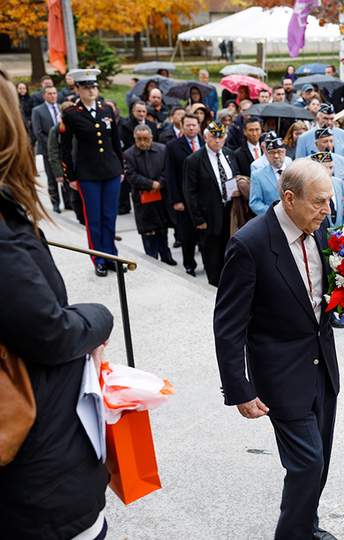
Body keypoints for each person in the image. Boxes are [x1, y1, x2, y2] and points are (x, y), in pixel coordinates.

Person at [0, 63, 115, 539]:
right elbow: (49, 331)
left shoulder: (105, 110)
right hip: (36, 473)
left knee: (107, 223)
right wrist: (98, 316)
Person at [213, 158, 340, 540]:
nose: (327, 210)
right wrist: (239, 388)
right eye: (319, 201)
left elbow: (320, 295)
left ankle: (308, 525)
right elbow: (228, 325)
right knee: (306, 465)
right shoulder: (250, 244)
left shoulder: (318, 227)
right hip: (281, 377)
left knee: (320, 463)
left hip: (323, 369)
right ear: (289, 198)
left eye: (329, 200)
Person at [60, 69, 124, 277]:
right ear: (77, 89)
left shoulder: (106, 109)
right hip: (87, 174)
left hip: (111, 171)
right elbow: (65, 147)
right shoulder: (71, 114)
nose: (91, 91)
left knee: (110, 215)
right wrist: (70, 175)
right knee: (93, 218)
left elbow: (116, 141)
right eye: (86, 88)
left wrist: (121, 167)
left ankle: (111, 255)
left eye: (94, 87)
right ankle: (98, 258)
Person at [184, 121, 240, 286]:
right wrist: (198, 218)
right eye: (214, 138)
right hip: (208, 216)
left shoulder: (229, 153)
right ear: (205, 137)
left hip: (230, 211)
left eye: (221, 137)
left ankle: (229, 283)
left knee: (229, 250)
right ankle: (214, 284)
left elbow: (234, 176)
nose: (218, 141)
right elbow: (190, 192)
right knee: (212, 254)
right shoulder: (194, 160)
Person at [124, 125, 175, 264]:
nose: (142, 142)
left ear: (151, 138)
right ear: (134, 138)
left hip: (160, 196)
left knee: (162, 228)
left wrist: (159, 183)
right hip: (143, 199)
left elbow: (168, 169)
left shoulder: (162, 150)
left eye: (145, 139)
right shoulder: (128, 154)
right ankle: (151, 258)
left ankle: (166, 255)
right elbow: (131, 175)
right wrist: (150, 184)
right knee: (148, 230)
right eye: (139, 139)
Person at [165, 114, 204, 276]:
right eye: (188, 125)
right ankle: (189, 265)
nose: (191, 128)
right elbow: (170, 175)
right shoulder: (172, 146)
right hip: (184, 198)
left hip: (203, 198)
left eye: (194, 125)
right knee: (187, 234)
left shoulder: (204, 142)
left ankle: (208, 263)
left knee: (204, 234)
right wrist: (176, 200)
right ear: (182, 127)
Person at [295, 103, 344, 193]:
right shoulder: (305, 137)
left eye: (332, 118)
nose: (329, 122)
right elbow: (299, 168)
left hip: (341, 189)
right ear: (317, 119)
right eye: (325, 118)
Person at [31, 84, 65, 213]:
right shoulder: (38, 110)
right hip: (48, 151)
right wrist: (53, 145)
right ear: (44, 96)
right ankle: (55, 202)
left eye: (54, 93)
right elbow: (38, 132)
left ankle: (68, 201)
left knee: (66, 175)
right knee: (52, 178)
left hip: (64, 149)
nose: (53, 96)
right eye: (49, 94)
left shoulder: (62, 107)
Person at [249, 132, 291, 215]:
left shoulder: (293, 168)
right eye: (272, 152)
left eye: (279, 152)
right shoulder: (257, 175)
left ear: (284, 152)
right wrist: (274, 214)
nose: (276, 156)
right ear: (266, 154)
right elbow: (255, 203)